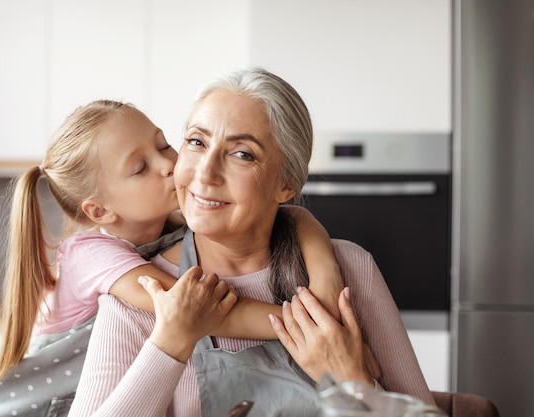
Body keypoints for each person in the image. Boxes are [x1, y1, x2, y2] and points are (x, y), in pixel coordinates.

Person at [68, 67, 433, 417]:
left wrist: (353, 381)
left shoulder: (351, 270)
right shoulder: (141, 296)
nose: (205, 173)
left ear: (286, 184)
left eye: (242, 154)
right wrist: (170, 345)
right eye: (196, 142)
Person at [0, 99, 346, 416]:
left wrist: (325, 275)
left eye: (162, 145)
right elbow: (195, 309)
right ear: (99, 212)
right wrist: (313, 327)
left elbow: (291, 215)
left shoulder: (172, 223)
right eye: (141, 168)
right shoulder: (92, 254)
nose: (168, 164)